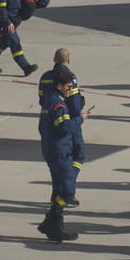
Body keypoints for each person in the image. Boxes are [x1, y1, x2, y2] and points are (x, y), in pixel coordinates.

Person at [39, 52, 89, 205]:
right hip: (67, 120)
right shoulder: (70, 77)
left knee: (55, 166)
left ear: (54, 59)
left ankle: (58, 195)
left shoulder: (44, 76)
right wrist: (80, 118)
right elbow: (74, 104)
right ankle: (67, 192)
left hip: (46, 121)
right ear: (69, 60)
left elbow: (41, 99)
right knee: (77, 156)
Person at [37, 72, 80, 242]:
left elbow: (41, 127)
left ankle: (55, 226)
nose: (71, 90)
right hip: (60, 151)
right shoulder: (58, 104)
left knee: (57, 189)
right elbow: (64, 127)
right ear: (59, 86)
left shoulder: (49, 100)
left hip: (52, 149)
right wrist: (80, 120)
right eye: (69, 87)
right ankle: (52, 217)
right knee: (68, 190)